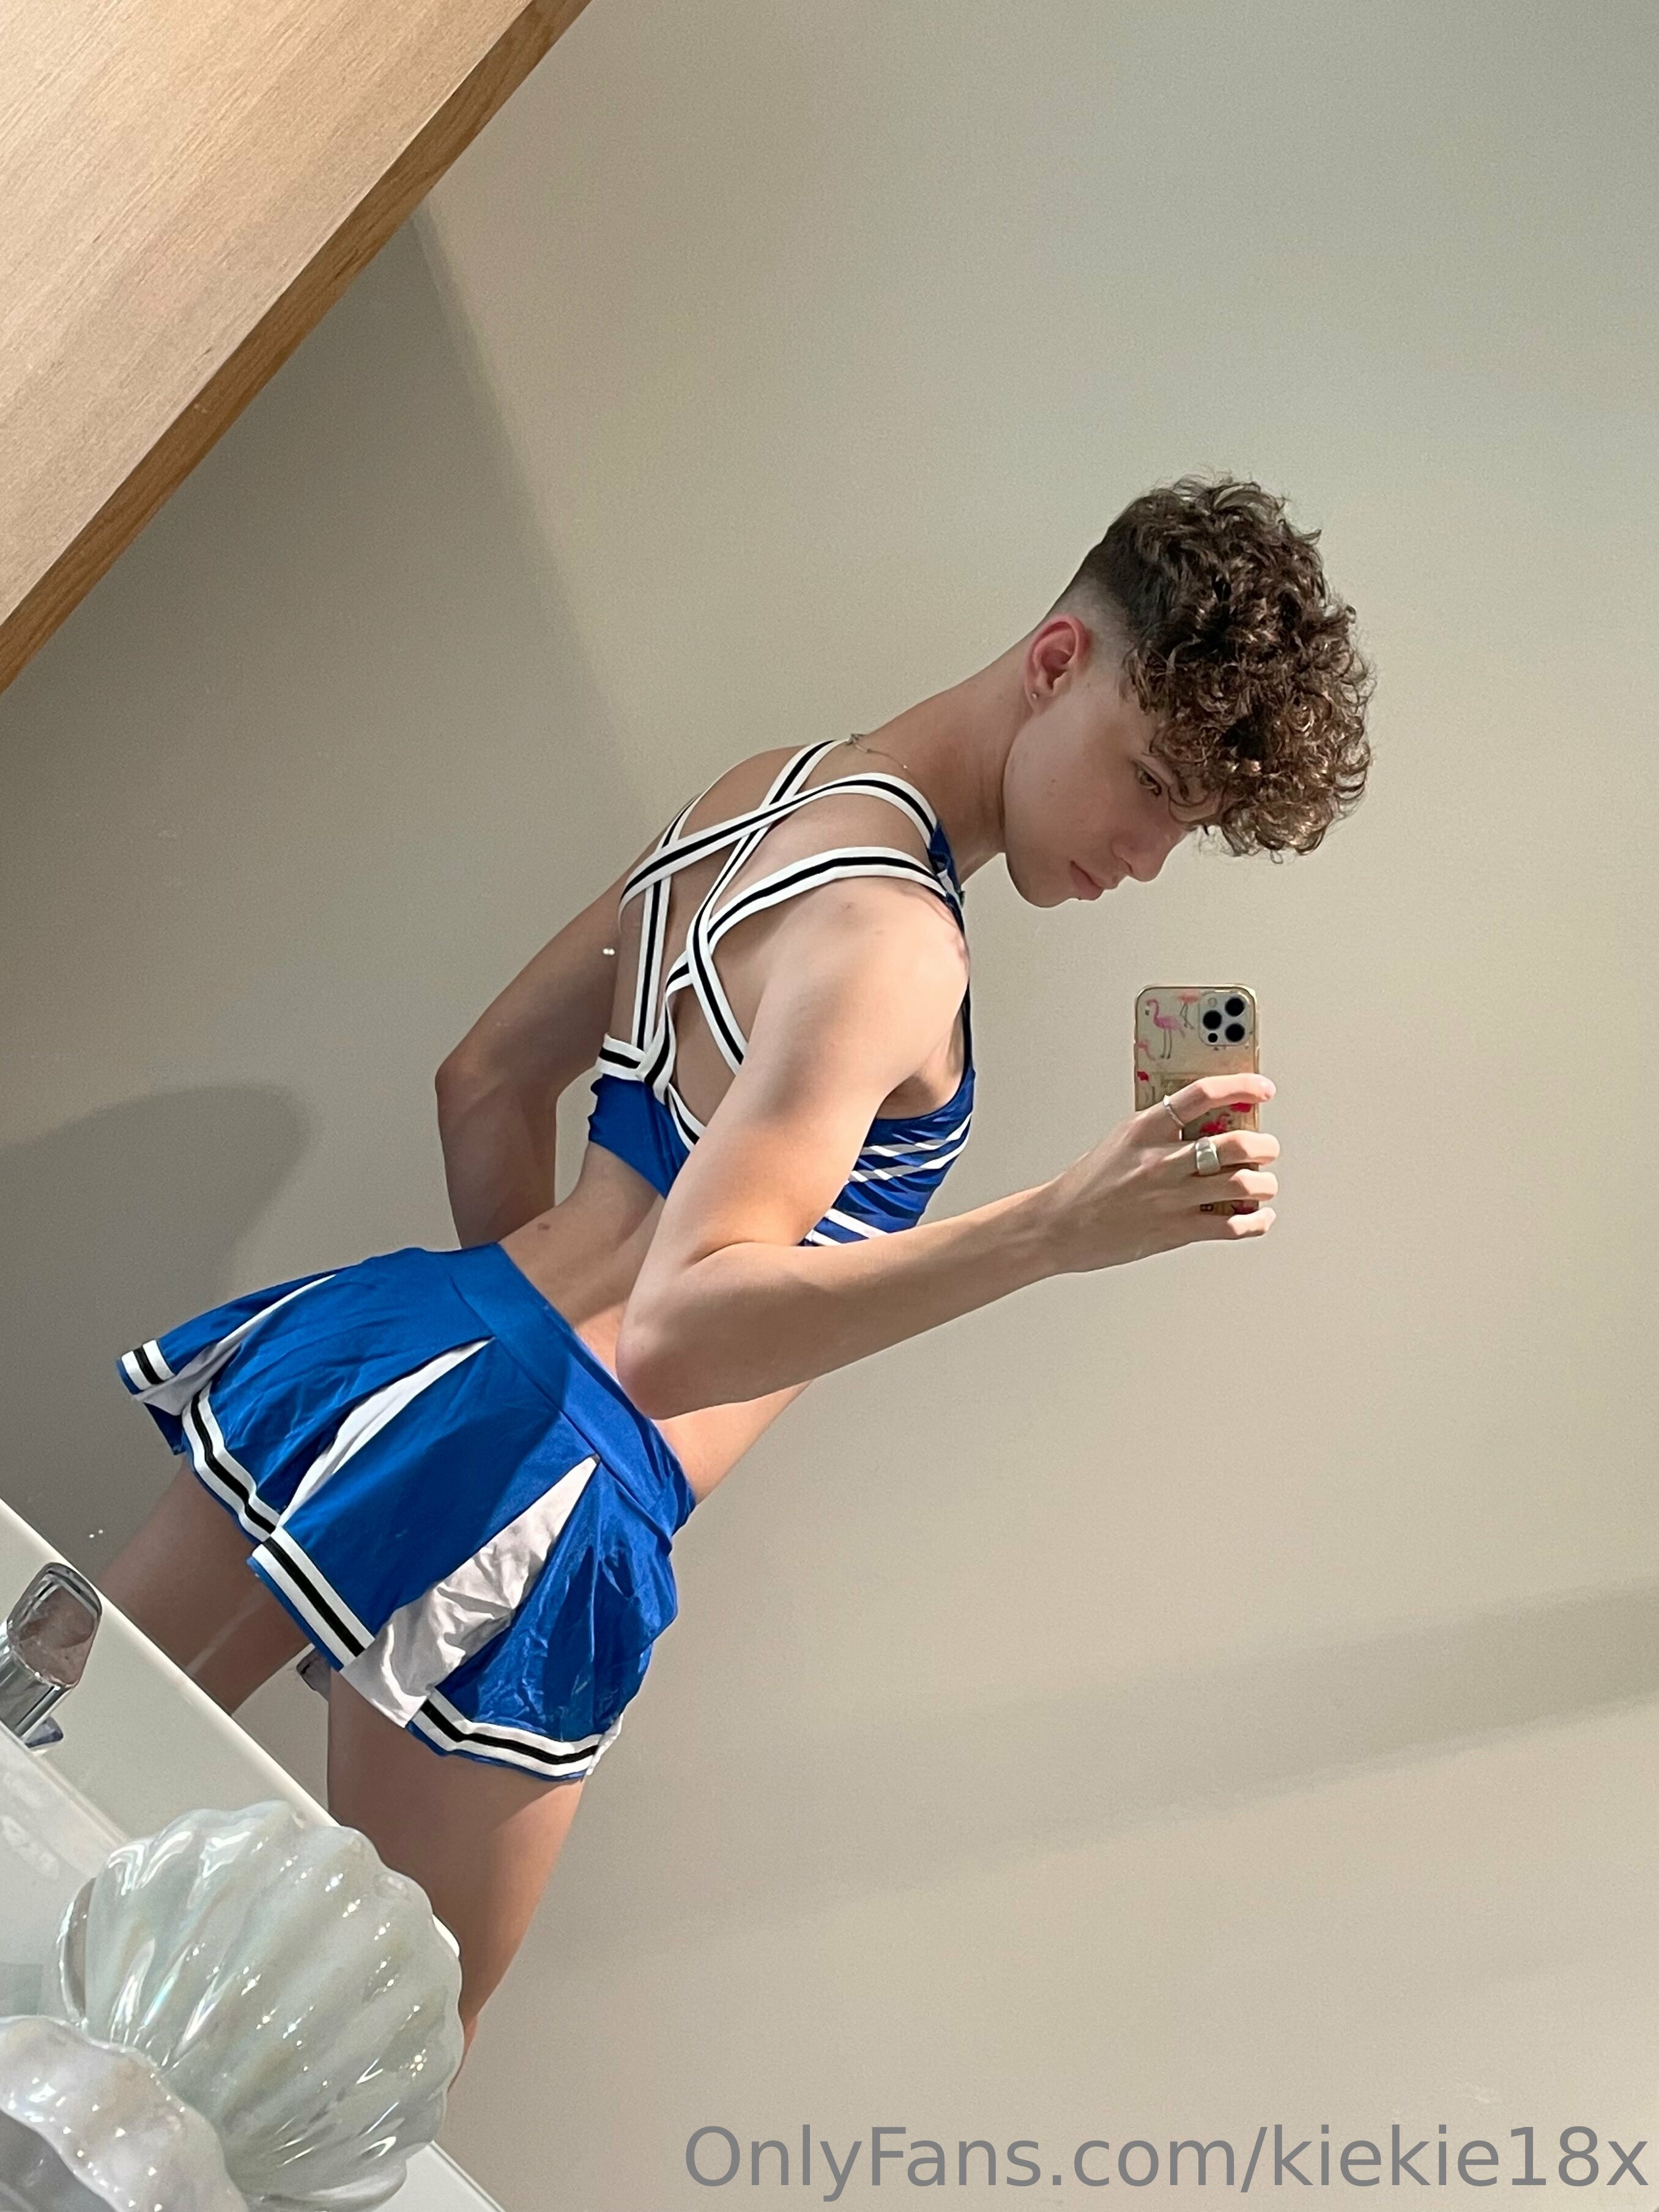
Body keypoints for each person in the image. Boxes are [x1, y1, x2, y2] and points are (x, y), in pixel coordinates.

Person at [99, 473, 1374, 2064]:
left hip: (393, 1348)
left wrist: (478, 1407)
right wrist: (1054, 1230)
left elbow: (484, 1080)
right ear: (1059, 663)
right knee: (363, 2071)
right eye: (1152, 785)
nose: (1149, 853)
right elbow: (680, 1329)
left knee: (49, 1758)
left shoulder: (766, 791)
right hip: (569, 1480)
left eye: (1188, 824)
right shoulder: (902, 944)